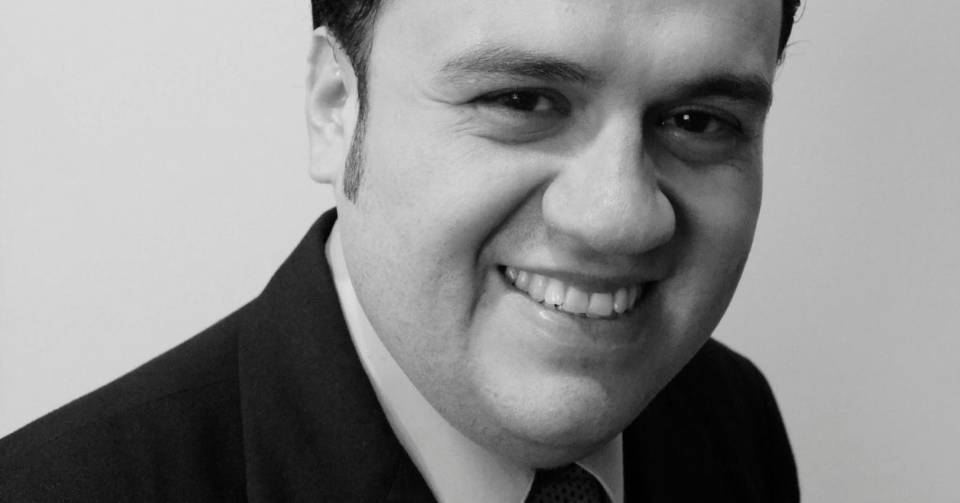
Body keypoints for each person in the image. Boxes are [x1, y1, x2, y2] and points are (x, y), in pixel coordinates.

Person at [0, 0, 802, 501]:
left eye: (699, 121)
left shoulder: (732, 421)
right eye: (522, 100)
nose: (620, 217)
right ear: (335, 107)